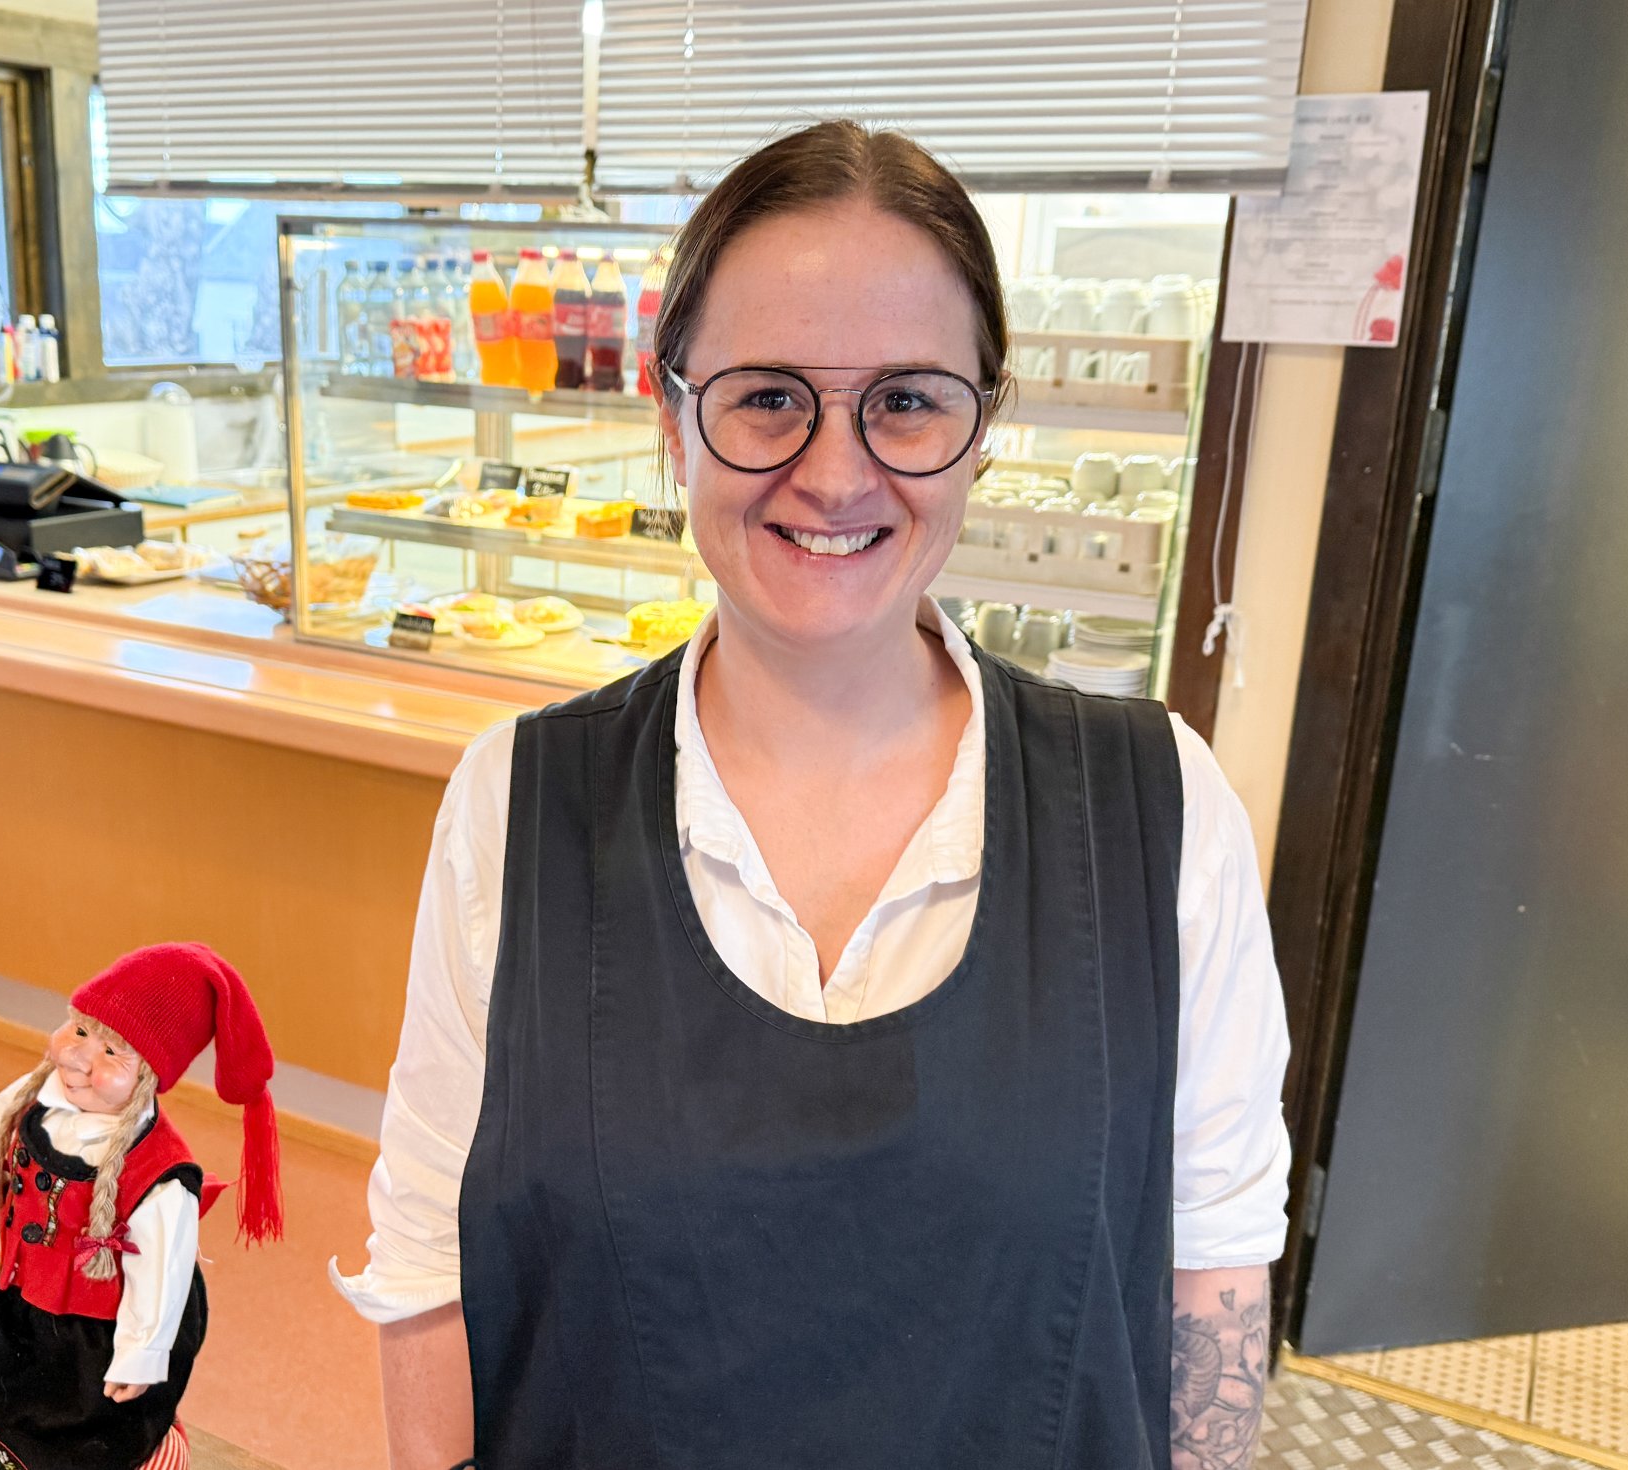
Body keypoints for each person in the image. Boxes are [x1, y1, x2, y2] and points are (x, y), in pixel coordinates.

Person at [333, 119, 1291, 1469]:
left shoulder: (1157, 812)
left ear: (981, 431)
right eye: (767, 396)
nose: (835, 474)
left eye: (906, 400)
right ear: (672, 421)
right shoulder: (517, 804)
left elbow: (1212, 1268)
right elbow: (432, 1262)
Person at [0, 943, 283, 1470]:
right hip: (11, 1293)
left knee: (78, 1429)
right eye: (79, 1031)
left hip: (91, 1330)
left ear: (149, 1075)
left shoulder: (161, 1177)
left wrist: (139, 1355)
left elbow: (160, 1276)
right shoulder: (30, 1098)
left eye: (111, 1052)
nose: (78, 1058)